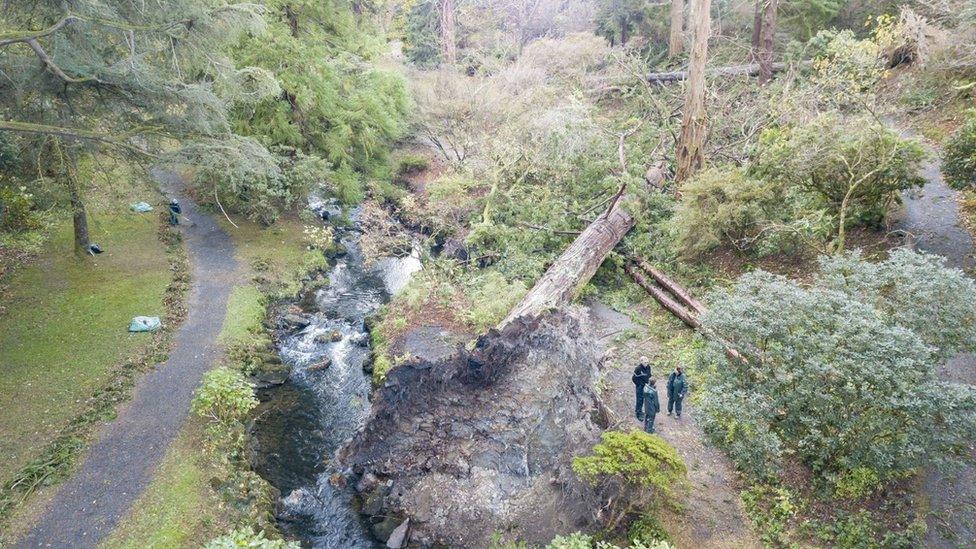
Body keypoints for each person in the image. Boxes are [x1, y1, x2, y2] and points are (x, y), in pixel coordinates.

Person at [632, 356, 651, 421]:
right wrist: (639, 385)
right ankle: (638, 413)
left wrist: (649, 382)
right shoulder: (638, 369)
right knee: (639, 400)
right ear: (641, 362)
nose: (646, 363)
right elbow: (634, 379)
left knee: (645, 398)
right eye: (645, 362)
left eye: (647, 362)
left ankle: (641, 411)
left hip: (646, 385)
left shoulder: (648, 367)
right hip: (640, 387)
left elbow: (649, 374)